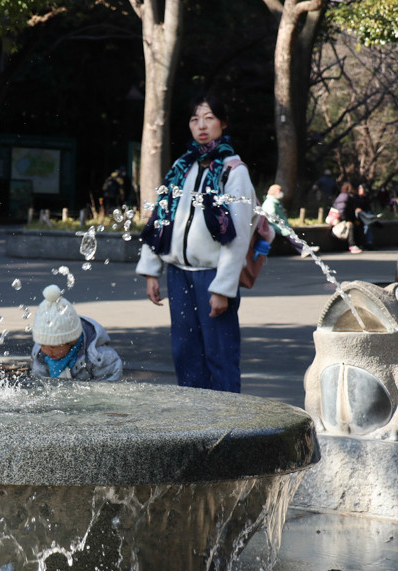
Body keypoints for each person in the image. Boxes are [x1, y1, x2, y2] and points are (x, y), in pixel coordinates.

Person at [136, 93, 255, 393]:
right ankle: (193, 426)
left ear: (223, 123)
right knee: (185, 354)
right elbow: (161, 218)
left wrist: (223, 288)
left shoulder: (233, 171)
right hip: (179, 273)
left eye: (209, 118)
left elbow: (238, 235)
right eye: (194, 119)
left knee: (220, 356)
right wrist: (152, 269)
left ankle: (230, 428)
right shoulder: (182, 167)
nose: (201, 125)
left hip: (212, 276)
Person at [30, 284, 122, 381]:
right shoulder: (40, 354)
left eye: (53, 347)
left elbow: (110, 387)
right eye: (42, 345)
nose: (48, 351)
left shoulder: (98, 357)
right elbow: (40, 383)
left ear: (72, 340)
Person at [262, 184, 312, 256]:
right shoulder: (270, 202)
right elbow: (271, 216)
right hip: (275, 225)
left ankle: (303, 250)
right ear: (275, 192)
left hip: (278, 225)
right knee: (289, 234)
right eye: (280, 191)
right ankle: (304, 248)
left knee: (289, 235)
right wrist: (280, 222)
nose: (281, 193)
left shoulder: (275, 202)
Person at [332, 182, 365, 253]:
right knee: (351, 226)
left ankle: (358, 244)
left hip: (346, 218)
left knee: (358, 224)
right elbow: (342, 210)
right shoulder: (345, 196)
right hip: (341, 219)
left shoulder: (346, 196)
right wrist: (347, 219)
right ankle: (352, 245)